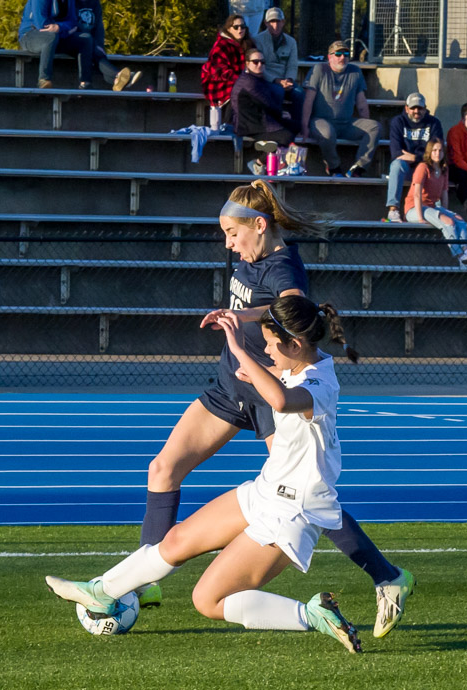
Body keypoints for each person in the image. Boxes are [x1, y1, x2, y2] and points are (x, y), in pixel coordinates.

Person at [131, 179, 415, 640]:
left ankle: (387, 576)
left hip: (269, 392)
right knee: (163, 468)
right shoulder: (253, 253)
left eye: (233, 235)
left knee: (304, 491)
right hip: (230, 386)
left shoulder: (285, 270)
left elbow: (293, 312)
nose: (228, 244)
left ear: (260, 226)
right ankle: (143, 584)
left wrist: (241, 320)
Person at [48, 294, 364, 654]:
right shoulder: (301, 362)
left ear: (294, 344)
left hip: (294, 511)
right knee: (175, 541)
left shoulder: (321, 385)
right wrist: (252, 357)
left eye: (271, 346)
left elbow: (281, 400)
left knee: (208, 599)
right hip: (266, 491)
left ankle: (313, 614)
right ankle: (102, 592)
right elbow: (281, 376)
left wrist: (238, 348)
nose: (266, 352)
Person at [300, 39, 382, 178]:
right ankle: (334, 167)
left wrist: (365, 130)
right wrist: (304, 126)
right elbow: (308, 100)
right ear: (329, 57)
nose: (342, 57)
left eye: (346, 54)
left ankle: (358, 168)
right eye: (338, 54)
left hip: (346, 124)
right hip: (320, 121)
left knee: (374, 127)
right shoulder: (319, 69)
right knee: (327, 133)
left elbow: (361, 103)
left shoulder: (355, 72)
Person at [405, 138, 467, 266]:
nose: (437, 153)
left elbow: (444, 194)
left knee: (458, 219)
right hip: (414, 208)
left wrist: (445, 211)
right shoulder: (423, 167)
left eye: (440, 150)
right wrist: (420, 218)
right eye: (434, 150)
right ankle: (460, 257)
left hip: (431, 207)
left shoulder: (444, 169)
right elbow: (416, 194)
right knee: (448, 222)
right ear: (429, 152)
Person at [231, 48, 298, 174]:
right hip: (250, 125)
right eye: (255, 62)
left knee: (295, 125)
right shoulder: (249, 81)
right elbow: (267, 103)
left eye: (262, 62)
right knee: (286, 135)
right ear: (247, 63)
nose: (260, 65)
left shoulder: (257, 79)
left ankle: (271, 155)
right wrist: (281, 114)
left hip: (262, 120)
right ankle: (259, 163)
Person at [384, 92, 443, 222]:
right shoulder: (398, 122)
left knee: (438, 165)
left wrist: (415, 157)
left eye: (420, 108)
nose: (416, 111)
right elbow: (396, 153)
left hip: (426, 167)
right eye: (413, 108)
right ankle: (393, 210)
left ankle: (438, 207)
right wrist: (423, 156)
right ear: (406, 108)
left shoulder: (434, 123)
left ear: (425, 108)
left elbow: (437, 152)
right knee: (396, 165)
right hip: (406, 168)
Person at [18, 0, 93, 90]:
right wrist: (63, 30)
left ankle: (85, 83)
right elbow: (41, 25)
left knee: (85, 39)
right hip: (31, 35)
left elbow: (73, 22)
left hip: (57, 35)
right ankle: (44, 80)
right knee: (51, 36)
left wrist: (59, 27)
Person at [74, 0, 139, 91]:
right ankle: (118, 77)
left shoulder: (94, 3)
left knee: (97, 53)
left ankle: (117, 79)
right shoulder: (71, 3)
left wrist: (99, 46)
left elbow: (98, 29)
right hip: (75, 40)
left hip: (90, 44)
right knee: (91, 48)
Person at [201, 15, 250, 129]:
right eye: (236, 27)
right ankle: (228, 126)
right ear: (228, 29)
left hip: (242, 80)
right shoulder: (221, 45)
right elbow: (217, 69)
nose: (240, 30)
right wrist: (240, 80)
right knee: (239, 91)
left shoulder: (248, 44)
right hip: (219, 82)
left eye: (242, 27)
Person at [252, 7, 298, 108]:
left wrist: (289, 80)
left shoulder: (291, 41)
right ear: (266, 23)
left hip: (286, 80)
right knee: (278, 92)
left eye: (278, 21)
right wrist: (277, 81)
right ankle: (275, 122)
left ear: (283, 22)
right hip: (267, 80)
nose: (275, 25)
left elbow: (292, 66)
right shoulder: (257, 40)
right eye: (272, 21)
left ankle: (297, 123)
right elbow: (259, 67)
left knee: (300, 94)